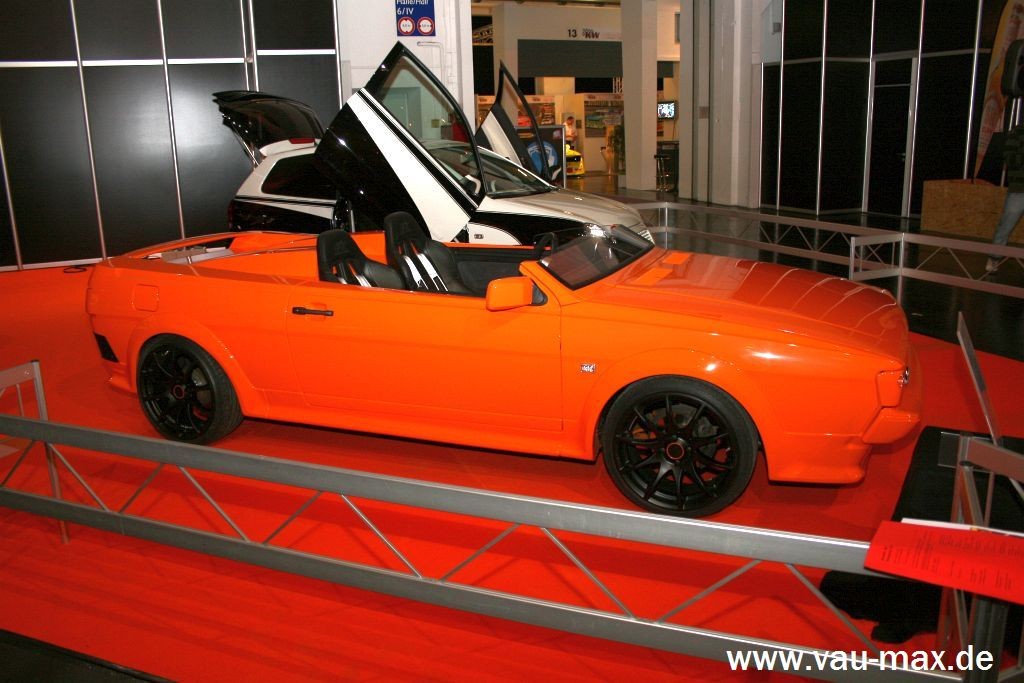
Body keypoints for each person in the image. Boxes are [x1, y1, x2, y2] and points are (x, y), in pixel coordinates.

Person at [988, 123, 1024, 273]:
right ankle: (994, 258)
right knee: (1006, 225)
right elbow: (1009, 160)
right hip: (1019, 189)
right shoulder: (1017, 132)